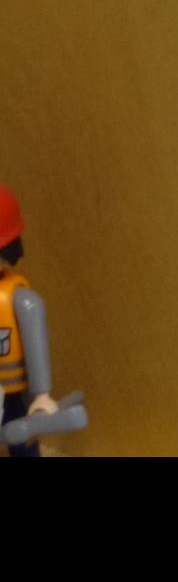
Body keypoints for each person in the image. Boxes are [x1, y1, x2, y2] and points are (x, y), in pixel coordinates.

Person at [0, 185, 57, 458]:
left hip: (13, 394)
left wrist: (42, 394)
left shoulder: (20, 300)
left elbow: (36, 348)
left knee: (22, 443)